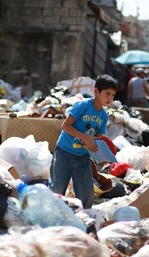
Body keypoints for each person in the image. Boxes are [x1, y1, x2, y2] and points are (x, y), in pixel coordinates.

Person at [49, 74, 118, 209]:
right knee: (57, 189)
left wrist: (102, 154)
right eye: (107, 93)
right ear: (96, 91)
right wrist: (85, 137)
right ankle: (51, 215)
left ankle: (85, 220)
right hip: (64, 152)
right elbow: (65, 126)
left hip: (83, 157)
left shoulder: (103, 115)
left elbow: (97, 136)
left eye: (113, 95)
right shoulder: (83, 106)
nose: (110, 98)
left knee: (87, 194)